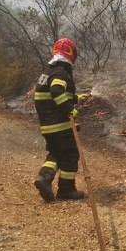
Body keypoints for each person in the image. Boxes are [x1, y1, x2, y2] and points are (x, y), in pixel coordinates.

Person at [33, 38, 86, 202]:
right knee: (70, 154)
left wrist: (77, 98)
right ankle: (66, 190)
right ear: (71, 55)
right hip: (60, 124)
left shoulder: (48, 72)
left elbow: (52, 94)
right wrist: (70, 109)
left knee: (56, 152)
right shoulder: (61, 73)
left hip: (48, 126)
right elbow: (56, 91)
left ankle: (44, 178)